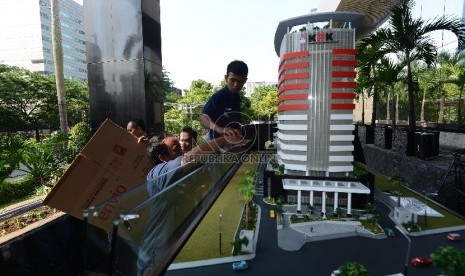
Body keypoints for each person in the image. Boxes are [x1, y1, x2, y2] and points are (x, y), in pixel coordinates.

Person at [138, 133, 248, 274]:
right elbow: (190, 158)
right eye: (177, 149)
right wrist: (224, 139)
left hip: (176, 251)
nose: (183, 152)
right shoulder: (157, 173)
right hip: (154, 262)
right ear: (162, 158)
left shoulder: (183, 172)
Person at [200, 60, 248, 141]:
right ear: (226, 78)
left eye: (240, 81)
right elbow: (203, 117)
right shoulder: (219, 96)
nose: (236, 84)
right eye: (232, 80)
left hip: (229, 143)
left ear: (245, 81)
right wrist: (220, 129)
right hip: (215, 143)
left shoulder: (237, 97)